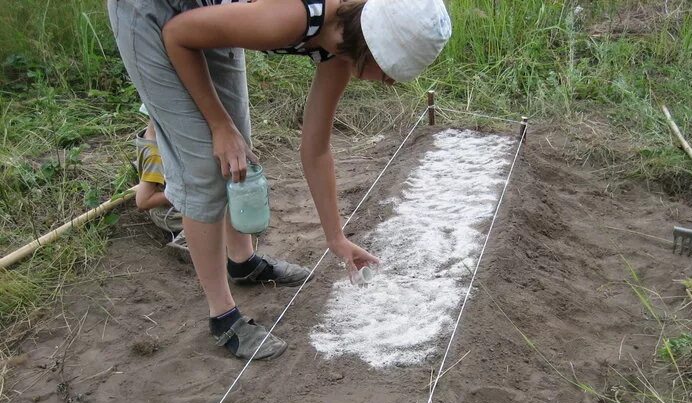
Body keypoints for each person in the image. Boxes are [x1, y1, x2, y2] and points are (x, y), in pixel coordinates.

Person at [107, 0, 452, 360]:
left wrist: (336, 238)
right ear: (372, 46)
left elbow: (316, 151)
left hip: (207, 10)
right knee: (205, 168)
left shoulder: (340, 46)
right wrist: (218, 125)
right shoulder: (295, 17)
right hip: (153, 12)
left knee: (238, 147)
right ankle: (222, 316)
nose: (390, 82)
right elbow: (177, 35)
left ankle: (242, 261)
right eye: (390, 71)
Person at [134, 109, 187, 247]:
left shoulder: (148, 135)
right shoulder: (156, 156)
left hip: (164, 209)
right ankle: (183, 241)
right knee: (208, 215)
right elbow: (142, 201)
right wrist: (181, 192)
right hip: (167, 214)